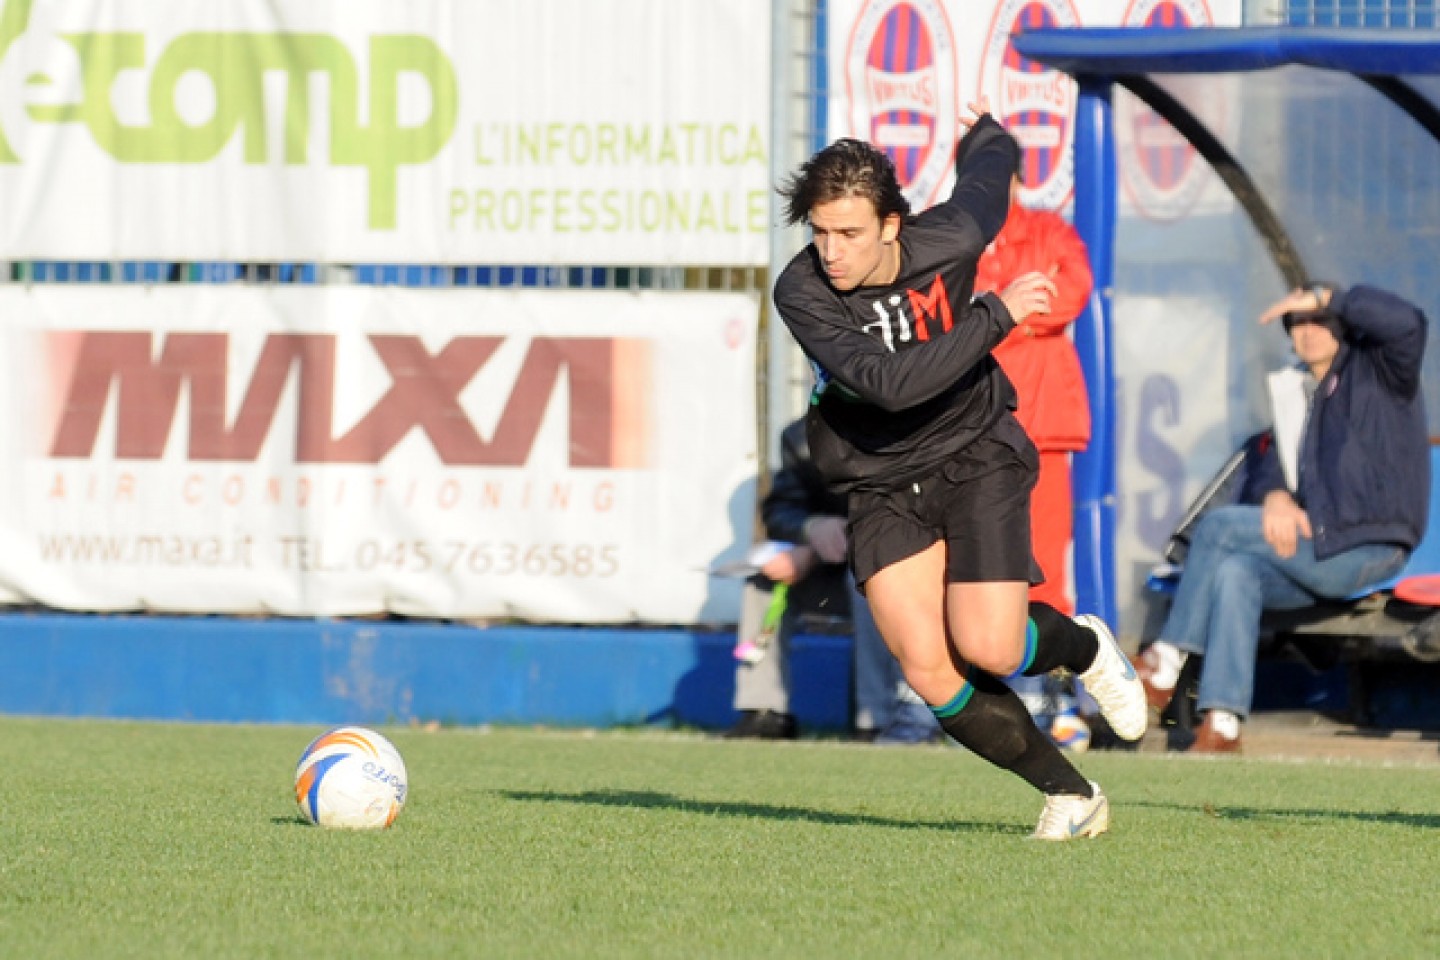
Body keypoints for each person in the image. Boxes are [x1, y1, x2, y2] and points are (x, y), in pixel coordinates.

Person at [771, 100, 1146, 841]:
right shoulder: (803, 290)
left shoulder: (954, 235)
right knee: (930, 668)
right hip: (879, 478)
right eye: (819, 232)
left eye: (848, 233)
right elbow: (888, 383)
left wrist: (988, 132)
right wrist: (993, 316)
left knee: (992, 648)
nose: (831, 251)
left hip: (974, 454)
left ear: (891, 226)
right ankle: (1073, 796)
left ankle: (1086, 646)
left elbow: (989, 173)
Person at [1134, 283, 1430, 752]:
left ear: (1343, 326)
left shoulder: (1380, 373)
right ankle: (1224, 725)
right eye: (1298, 324)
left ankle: (1167, 659)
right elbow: (1265, 462)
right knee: (1236, 572)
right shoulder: (1293, 394)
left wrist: (1326, 296)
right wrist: (1274, 495)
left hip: (1368, 546)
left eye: (1319, 321)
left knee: (1216, 526)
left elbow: (1408, 322)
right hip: (1314, 548)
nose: (1308, 332)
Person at [975, 156, 1096, 747]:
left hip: (1041, 426)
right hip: (970, 429)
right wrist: (1015, 310)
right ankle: (976, 705)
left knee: (1045, 568)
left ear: (1018, 179)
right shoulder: (957, 238)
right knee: (971, 568)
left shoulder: (1051, 231)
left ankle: (1059, 705)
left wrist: (993, 317)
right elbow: (941, 314)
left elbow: (1070, 292)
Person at [726, 419, 939, 744]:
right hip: (828, 567)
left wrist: (846, 538)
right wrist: (811, 529)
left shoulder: (907, 428)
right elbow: (780, 510)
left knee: (869, 578)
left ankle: (876, 720)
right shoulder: (800, 436)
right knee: (764, 578)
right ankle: (764, 712)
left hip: (896, 568)